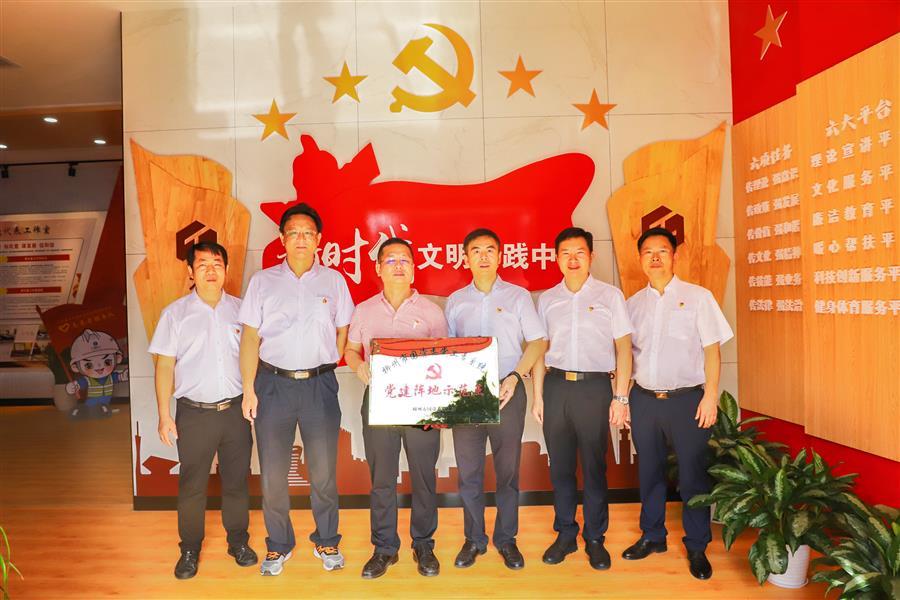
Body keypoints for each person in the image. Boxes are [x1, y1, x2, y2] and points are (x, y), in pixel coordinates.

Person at [239, 203, 354, 576]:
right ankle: (278, 545)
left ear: (319, 239)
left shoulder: (334, 281)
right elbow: (250, 337)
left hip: (319, 386)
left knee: (323, 472)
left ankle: (327, 539)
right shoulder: (263, 282)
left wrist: (328, 360)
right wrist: (249, 389)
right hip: (272, 385)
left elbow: (343, 329)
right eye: (293, 232)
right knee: (273, 474)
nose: (301, 239)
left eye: (307, 233)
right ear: (282, 238)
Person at [621, 226, 733, 580]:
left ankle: (697, 545)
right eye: (648, 252)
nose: (655, 258)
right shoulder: (632, 305)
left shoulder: (698, 297)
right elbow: (626, 356)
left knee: (692, 475)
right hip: (644, 400)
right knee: (649, 471)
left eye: (662, 251)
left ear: (674, 256)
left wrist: (711, 395)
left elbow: (712, 350)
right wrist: (623, 399)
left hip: (688, 401)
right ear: (640, 259)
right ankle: (652, 536)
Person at [149, 241, 256, 580]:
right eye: (203, 264)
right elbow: (164, 366)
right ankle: (189, 549)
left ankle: (238, 542)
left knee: (236, 481)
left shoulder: (242, 311)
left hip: (235, 411)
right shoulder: (175, 314)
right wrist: (164, 414)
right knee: (192, 485)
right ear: (190, 272)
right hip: (193, 414)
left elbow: (254, 357)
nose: (211, 270)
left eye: (217, 264)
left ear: (226, 270)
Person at [344, 237, 449, 579]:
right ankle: (385, 548)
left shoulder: (432, 312)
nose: (399, 265)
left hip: (422, 405)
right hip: (379, 402)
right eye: (391, 260)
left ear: (414, 269)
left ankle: (424, 544)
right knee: (382, 479)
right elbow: (351, 350)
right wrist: (359, 365)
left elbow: (445, 360)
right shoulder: (364, 310)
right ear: (378, 268)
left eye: (405, 259)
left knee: (424, 477)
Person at [444, 228, 547, 570]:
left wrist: (516, 376)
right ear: (466, 258)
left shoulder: (518, 297)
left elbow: (537, 342)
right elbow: (447, 350)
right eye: (476, 250)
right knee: (469, 473)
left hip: (508, 390)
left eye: (490, 249)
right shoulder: (455, 301)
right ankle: (474, 540)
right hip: (467, 395)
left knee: (507, 472)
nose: (484, 256)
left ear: (501, 256)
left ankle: (506, 539)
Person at [532, 227, 633, 570]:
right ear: (556, 258)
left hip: (595, 388)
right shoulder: (547, 299)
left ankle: (594, 537)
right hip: (556, 387)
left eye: (579, 252)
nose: (572, 259)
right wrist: (538, 396)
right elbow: (540, 351)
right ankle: (565, 534)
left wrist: (621, 397)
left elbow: (624, 349)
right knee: (560, 466)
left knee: (593, 466)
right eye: (565, 253)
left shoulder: (610, 296)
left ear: (591, 256)